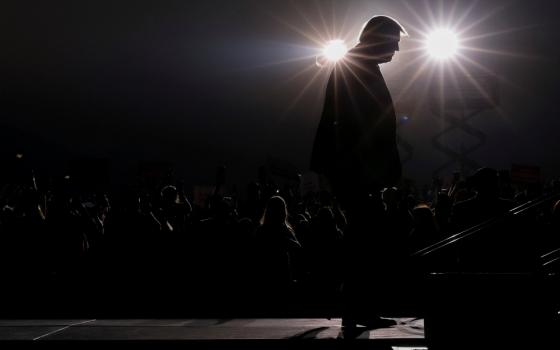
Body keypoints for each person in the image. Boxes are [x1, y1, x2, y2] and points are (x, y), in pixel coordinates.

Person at [310, 15, 407, 330]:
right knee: (365, 240)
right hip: (357, 170)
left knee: (364, 238)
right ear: (379, 38)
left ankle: (358, 309)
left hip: (356, 170)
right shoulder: (357, 68)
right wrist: (367, 170)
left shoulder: (357, 66)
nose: (396, 50)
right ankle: (357, 310)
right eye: (393, 42)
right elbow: (352, 124)